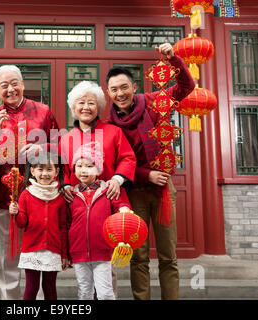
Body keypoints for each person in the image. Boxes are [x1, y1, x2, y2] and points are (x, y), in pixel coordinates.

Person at [106, 43, 195, 300]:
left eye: (124, 87)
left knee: (168, 255)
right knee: (139, 256)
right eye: (114, 89)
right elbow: (117, 162)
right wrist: (146, 174)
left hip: (163, 190)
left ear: (134, 87)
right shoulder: (111, 124)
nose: (120, 93)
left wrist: (173, 60)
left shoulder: (155, 102)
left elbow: (186, 88)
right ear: (108, 93)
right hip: (134, 192)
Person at [0, 65, 59, 300]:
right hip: (6, 194)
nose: (10, 89)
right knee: (7, 251)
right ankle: (10, 300)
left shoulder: (43, 111)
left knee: (38, 248)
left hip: (41, 194)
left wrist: (42, 147)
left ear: (23, 84)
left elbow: (60, 148)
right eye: (4, 86)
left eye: (14, 83)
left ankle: (35, 300)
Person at [67, 142, 131, 300]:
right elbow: (65, 224)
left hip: (102, 251)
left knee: (105, 292)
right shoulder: (71, 196)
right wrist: (66, 251)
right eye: (79, 166)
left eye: (89, 166)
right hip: (79, 252)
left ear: (98, 170)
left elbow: (120, 206)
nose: (83, 170)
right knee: (84, 291)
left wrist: (124, 210)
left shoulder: (106, 190)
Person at [61, 80, 136, 203]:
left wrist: (117, 179)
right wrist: (65, 186)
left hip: (110, 198)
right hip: (76, 202)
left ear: (98, 107)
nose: (86, 107)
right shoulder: (65, 139)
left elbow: (128, 158)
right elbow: (61, 169)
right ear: (74, 107)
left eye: (91, 103)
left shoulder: (114, 132)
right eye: (81, 103)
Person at [8, 152, 68, 300]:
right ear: (32, 171)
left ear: (57, 172)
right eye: (40, 169)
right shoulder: (26, 195)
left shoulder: (60, 197)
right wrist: (15, 213)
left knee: (50, 289)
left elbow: (63, 227)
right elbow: (22, 223)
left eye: (49, 169)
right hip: (32, 249)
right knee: (31, 288)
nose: (44, 173)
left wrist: (65, 254)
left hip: (53, 249)